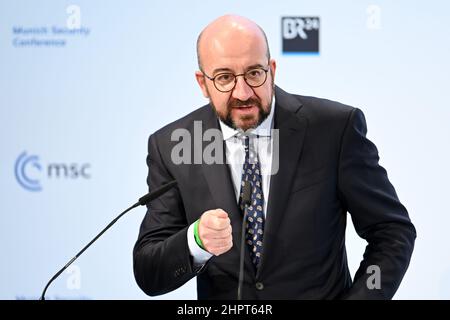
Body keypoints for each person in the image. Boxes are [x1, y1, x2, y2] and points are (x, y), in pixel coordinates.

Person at [133, 14, 416, 299]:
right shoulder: (172, 146)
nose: (242, 93)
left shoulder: (334, 129)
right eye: (224, 78)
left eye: (254, 73)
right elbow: (149, 272)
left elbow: (392, 233)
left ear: (272, 70)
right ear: (202, 83)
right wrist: (195, 242)